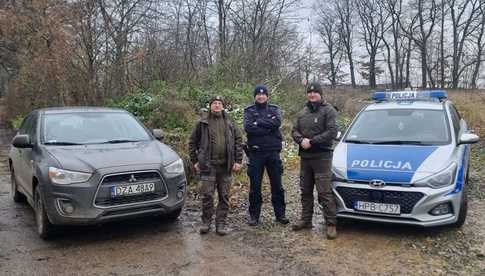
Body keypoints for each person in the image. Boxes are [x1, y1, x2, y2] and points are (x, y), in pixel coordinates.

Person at [189, 95, 243, 235]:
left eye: (219, 103)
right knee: (207, 196)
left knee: (224, 196)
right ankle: (206, 222)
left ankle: (221, 223)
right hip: (208, 166)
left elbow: (238, 141)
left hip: (226, 166)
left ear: (223, 106)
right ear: (210, 105)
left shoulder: (230, 121)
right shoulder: (202, 122)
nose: (217, 105)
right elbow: (192, 142)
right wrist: (195, 161)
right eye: (214, 103)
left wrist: (238, 161)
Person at [291, 82, 338, 239]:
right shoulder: (303, 111)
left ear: (320, 94)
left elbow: (332, 132)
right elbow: (294, 130)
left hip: (322, 157)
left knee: (324, 192)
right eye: (309, 93)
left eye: (315, 93)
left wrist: (312, 141)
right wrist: (300, 140)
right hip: (305, 157)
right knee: (305, 190)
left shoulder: (328, 110)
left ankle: (331, 223)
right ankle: (306, 220)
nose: (312, 95)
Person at [243, 84, 289, 226]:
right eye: (258, 94)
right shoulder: (249, 111)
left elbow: (277, 122)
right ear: (255, 96)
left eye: (263, 94)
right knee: (255, 186)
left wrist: (259, 123)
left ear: (267, 96)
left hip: (273, 153)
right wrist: (268, 128)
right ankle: (254, 216)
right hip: (256, 153)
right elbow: (249, 128)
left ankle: (280, 214)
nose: (261, 96)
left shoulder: (274, 109)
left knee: (277, 185)